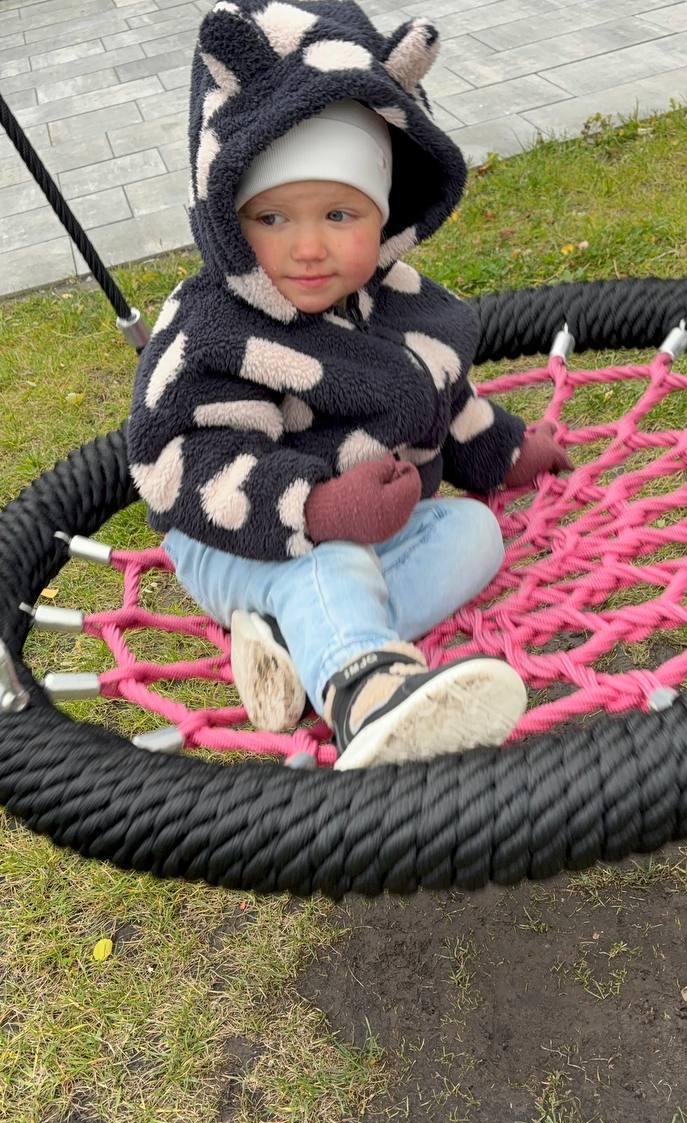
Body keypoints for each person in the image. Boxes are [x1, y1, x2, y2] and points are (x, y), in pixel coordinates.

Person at [127, 0, 571, 769]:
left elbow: (441, 398)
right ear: (228, 215)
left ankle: (297, 644)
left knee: (474, 534)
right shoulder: (219, 332)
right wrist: (318, 509)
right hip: (235, 536)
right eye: (271, 218)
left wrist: (502, 451)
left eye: (339, 213)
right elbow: (186, 465)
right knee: (328, 561)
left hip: (360, 532)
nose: (308, 248)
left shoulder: (401, 302)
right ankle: (365, 691)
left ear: (386, 213)